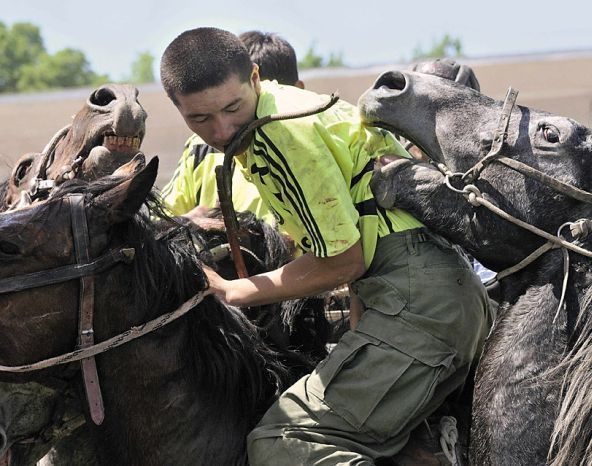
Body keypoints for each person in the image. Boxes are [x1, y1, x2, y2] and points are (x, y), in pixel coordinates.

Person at [160, 27, 492, 464]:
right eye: (199, 119)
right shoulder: (284, 108)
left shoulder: (283, 134)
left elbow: (343, 262)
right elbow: (359, 233)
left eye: (232, 107)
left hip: (419, 305)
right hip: (425, 295)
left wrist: (232, 291)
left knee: (282, 441)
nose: (221, 129)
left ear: (255, 78)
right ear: (177, 109)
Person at [160, 30, 304, 223]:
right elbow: (158, 222)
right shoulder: (200, 151)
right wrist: (184, 224)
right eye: (202, 118)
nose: (224, 132)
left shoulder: (305, 141)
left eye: (234, 107)